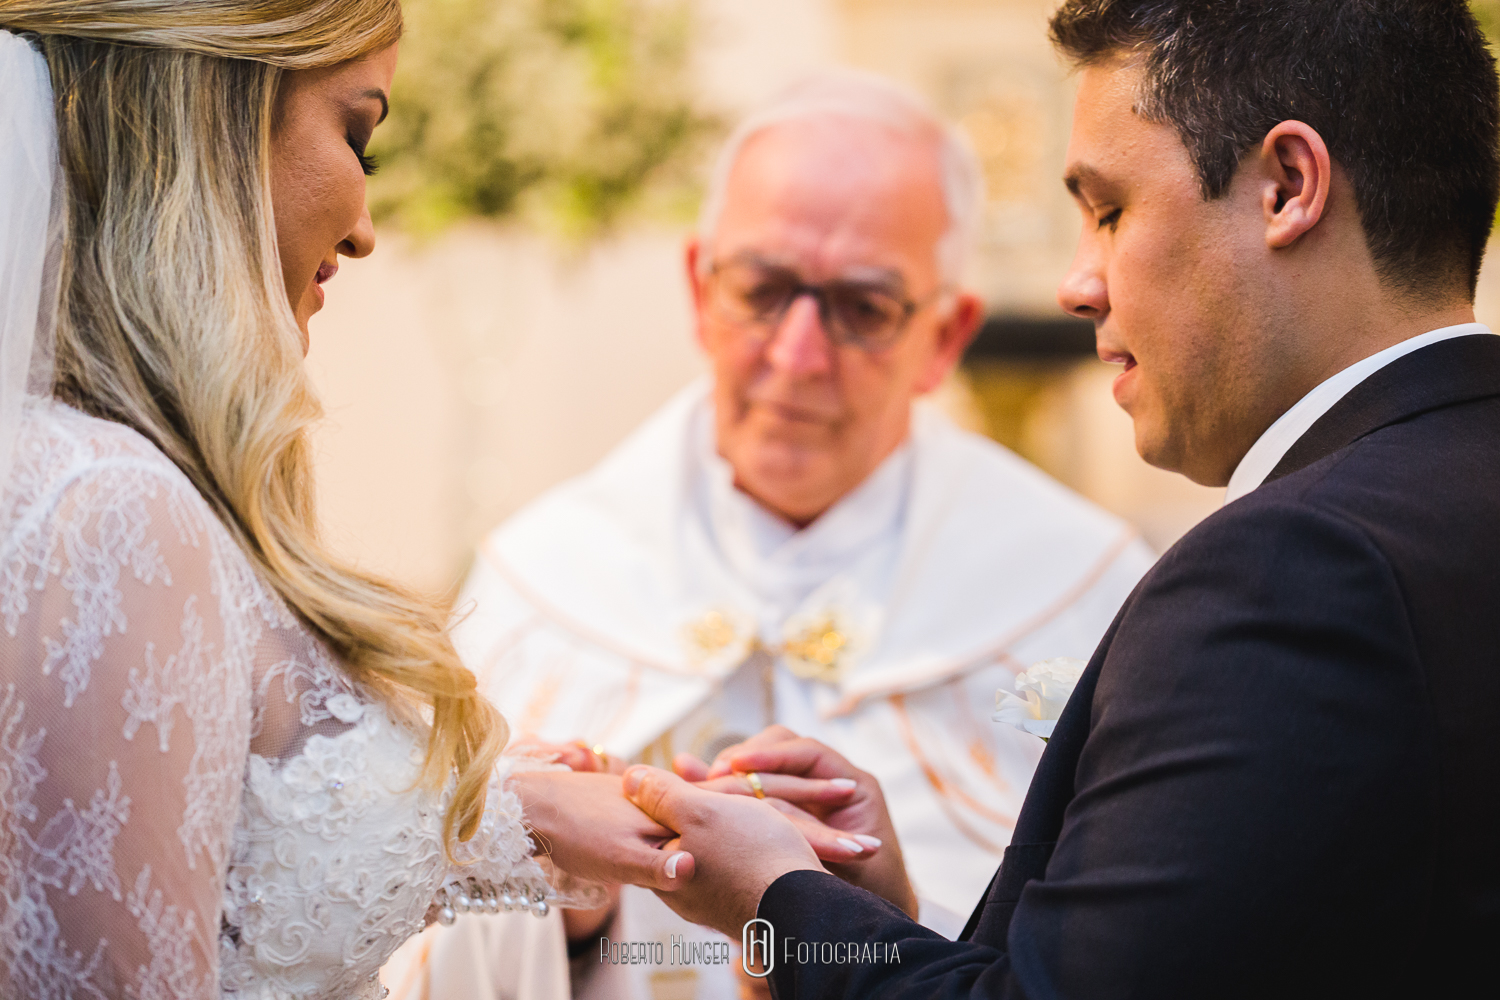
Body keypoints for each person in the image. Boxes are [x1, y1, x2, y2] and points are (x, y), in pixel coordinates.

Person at [618, 1, 1500, 997]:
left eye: (1111, 209)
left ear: (1286, 187)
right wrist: (882, 917)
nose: (1079, 284)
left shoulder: (1290, 572)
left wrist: (775, 895)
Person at [0, 3, 783, 995]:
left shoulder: (87, 478)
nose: (366, 226)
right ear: (215, 119)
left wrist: (513, 813)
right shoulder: (109, 511)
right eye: (358, 132)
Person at [395, 73, 1155, 1000]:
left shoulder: (1081, 594)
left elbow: (1109, 964)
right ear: (698, 287)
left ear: (946, 336)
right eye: (762, 289)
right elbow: (397, 948)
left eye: (864, 308)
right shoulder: (544, 578)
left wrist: (871, 922)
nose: (798, 357)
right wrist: (572, 913)